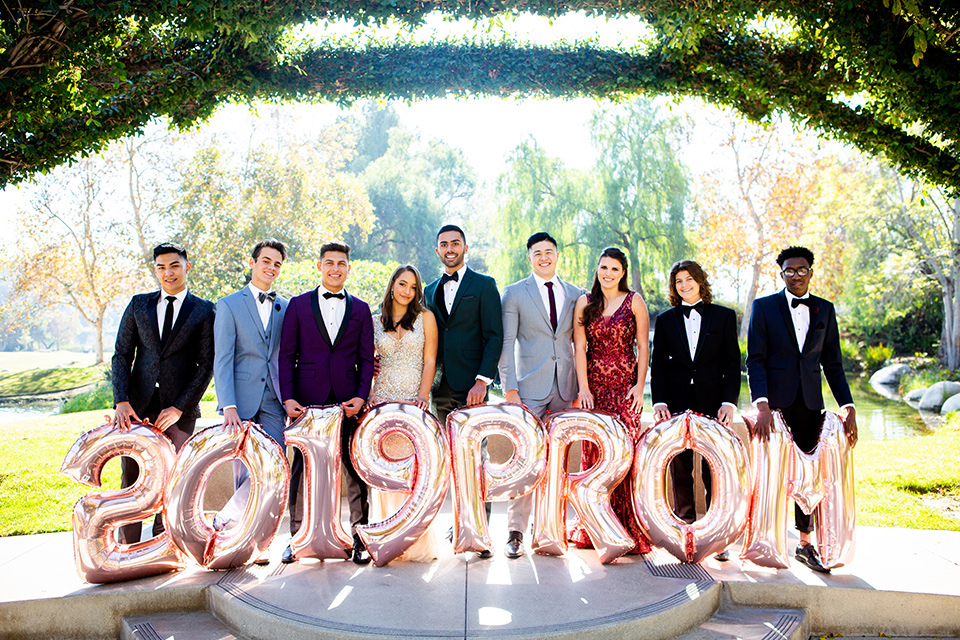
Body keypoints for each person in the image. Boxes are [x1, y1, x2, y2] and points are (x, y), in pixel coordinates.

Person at [746, 245, 857, 574]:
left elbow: (833, 364)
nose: (796, 275)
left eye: (801, 270)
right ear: (781, 274)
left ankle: (805, 544)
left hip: (811, 403)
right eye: (789, 271)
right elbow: (756, 360)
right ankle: (766, 541)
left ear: (811, 271)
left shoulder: (825, 309)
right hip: (775, 407)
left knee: (809, 478)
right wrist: (762, 406)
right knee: (772, 476)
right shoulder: (764, 308)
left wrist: (848, 407)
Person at [111, 242, 215, 545]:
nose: (168, 272)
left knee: (175, 474)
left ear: (187, 267)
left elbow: (205, 364)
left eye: (174, 266)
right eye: (161, 267)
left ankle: (164, 539)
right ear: (156, 270)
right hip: (136, 406)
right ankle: (126, 543)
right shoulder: (138, 305)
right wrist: (121, 401)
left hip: (179, 411)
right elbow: (121, 354)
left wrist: (180, 408)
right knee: (131, 475)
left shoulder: (205, 310)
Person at [278, 241, 375, 564]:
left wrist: (361, 396)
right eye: (330, 263)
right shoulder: (298, 305)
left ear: (349, 267)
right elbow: (287, 354)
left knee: (354, 469)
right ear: (319, 266)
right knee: (300, 470)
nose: (335, 269)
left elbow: (364, 358)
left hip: (348, 400)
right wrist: (288, 397)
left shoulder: (361, 309)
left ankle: (360, 538)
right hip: (307, 401)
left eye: (341, 263)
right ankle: (296, 538)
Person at [497, 232, 581, 558]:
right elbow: (506, 344)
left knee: (558, 462)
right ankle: (515, 531)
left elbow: (580, 345)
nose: (544, 257)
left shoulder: (576, 295)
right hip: (529, 391)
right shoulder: (515, 293)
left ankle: (549, 528)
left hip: (565, 389)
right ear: (529, 258)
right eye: (537, 253)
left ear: (557, 255)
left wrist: (579, 389)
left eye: (549, 251)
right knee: (525, 460)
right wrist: (510, 389)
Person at [651, 260, 740, 560]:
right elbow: (658, 365)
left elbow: (732, 363)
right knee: (679, 465)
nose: (684, 285)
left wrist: (729, 402)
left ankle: (716, 536)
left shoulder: (724, 317)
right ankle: (685, 527)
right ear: (674, 287)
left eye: (689, 279)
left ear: (700, 281)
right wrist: (659, 401)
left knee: (714, 468)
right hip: (675, 402)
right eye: (678, 281)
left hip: (713, 401)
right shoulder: (665, 320)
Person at [423, 224, 503, 558]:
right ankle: (460, 522)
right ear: (437, 251)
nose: (450, 248)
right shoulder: (427, 290)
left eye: (456, 243)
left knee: (477, 457)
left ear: (465, 248)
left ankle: (480, 529)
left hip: (473, 386)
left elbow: (494, 335)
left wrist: (482, 380)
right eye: (444, 244)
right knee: (454, 462)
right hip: (441, 387)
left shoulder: (484, 285)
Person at [210, 239, 289, 564]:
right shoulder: (229, 305)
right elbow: (223, 358)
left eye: (277, 264)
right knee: (244, 471)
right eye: (266, 261)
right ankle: (248, 542)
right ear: (253, 262)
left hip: (274, 399)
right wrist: (227, 404)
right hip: (240, 401)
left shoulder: (285, 305)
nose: (271, 268)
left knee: (274, 465)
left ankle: (241, 526)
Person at [569, 247, 651, 554]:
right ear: (597, 269)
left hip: (625, 388)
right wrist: (584, 388)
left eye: (614, 269)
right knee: (595, 455)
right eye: (604, 268)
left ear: (623, 272)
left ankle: (625, 527)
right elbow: (579, 348)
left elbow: (643, 347)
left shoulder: (635, 302)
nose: (608, 274)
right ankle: (594, 526)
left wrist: (640, 387)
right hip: (595, 390)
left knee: (623, 457)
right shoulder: (584, 302)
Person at [367, 264, 444, 562]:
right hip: (382, 401)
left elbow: (429, 361)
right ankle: (388, 536)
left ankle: (415, 541)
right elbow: (366, 359)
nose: (407, 291)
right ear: (392, 285)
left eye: (413, 287)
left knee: (413, 473)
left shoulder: (426, 318)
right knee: (386, 472)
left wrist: (422, 396)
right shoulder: (375, 321)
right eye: (402, 284)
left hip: (413, 401)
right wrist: (371, 386)